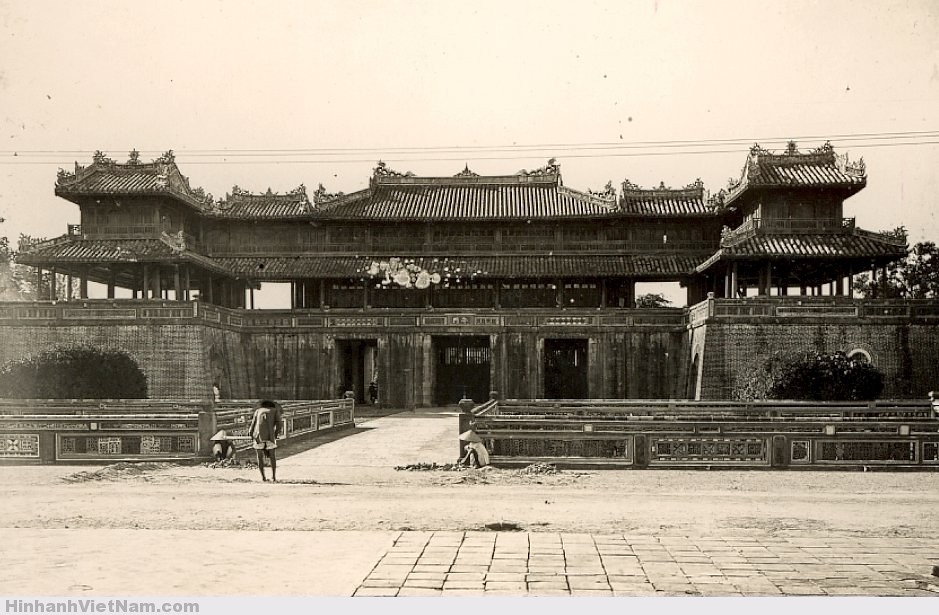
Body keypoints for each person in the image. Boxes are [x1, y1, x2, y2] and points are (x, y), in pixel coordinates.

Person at [248, 399, 283, 482]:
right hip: (270, 437)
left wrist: (251, 435)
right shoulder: (274, 411)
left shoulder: (257, 411)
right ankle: (273, 477)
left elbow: (252, 425)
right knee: (272, 457)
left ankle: (263, 477)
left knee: (259, 457)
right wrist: (275, 434)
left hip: (258, 436)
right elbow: (279, 424)